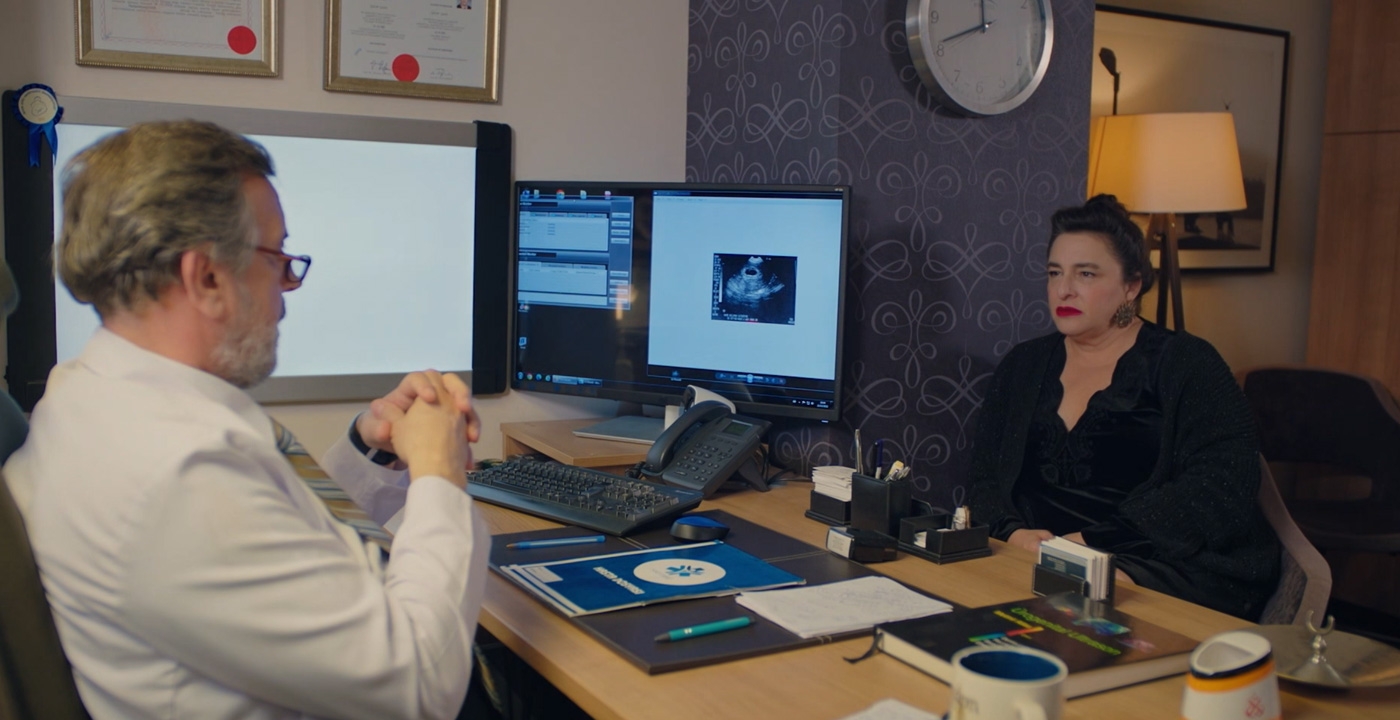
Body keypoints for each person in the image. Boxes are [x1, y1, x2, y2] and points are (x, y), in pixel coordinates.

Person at [4, 120, 491, 719]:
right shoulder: (176, 478)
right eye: (276, 257)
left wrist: (373, 449)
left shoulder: (87, 394)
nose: (289, 284)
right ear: (206, 277)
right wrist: (440, 474)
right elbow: (420, 684)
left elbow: (274, 533)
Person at [968, 194, 1279, 621]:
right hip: (1033, 558)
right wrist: (1013, 533)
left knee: (1083, 608)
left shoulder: (1188, 363)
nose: (1064, 289)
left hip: (1157, 560)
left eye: (1086, 274)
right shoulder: (1023, 364)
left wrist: (1095, 543)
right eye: (1055, 273)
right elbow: (983, 475)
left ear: (1131, 286)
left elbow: (1223, 483)